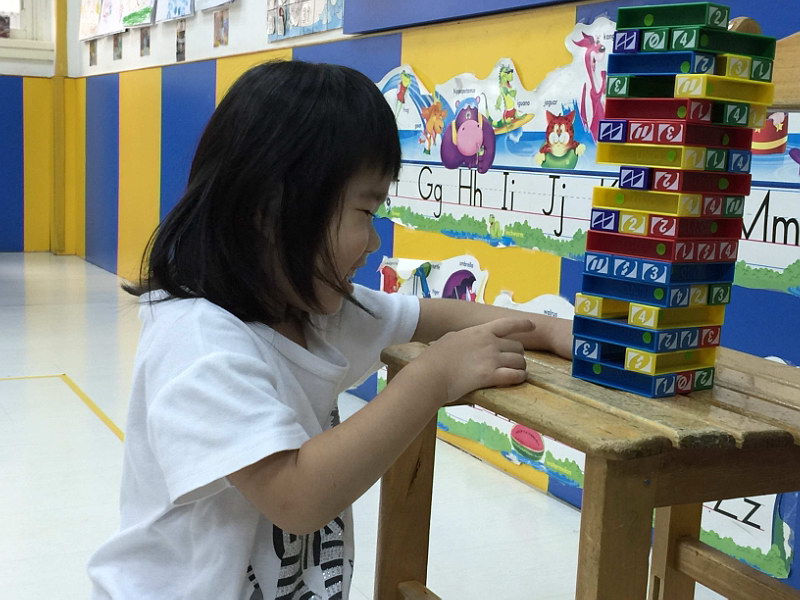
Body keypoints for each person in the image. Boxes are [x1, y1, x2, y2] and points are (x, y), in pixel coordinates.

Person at [87, 60, 572, 600]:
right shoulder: (199, 343)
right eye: (365, 212)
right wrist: (432, 378)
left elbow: (433, 317)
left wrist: (552, 330)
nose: (374, 243)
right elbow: (296, 498)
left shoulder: (312, 310)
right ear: (271, 210)